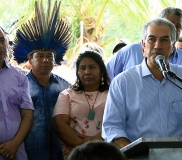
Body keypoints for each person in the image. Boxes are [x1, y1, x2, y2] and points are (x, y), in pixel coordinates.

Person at [102, 18, 182, 149]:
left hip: (180, 155)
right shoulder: (122, 82)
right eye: (152, 39)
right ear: (143, 46)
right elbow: (112, 127)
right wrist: (133, 151)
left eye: (164, 40)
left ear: (172, 47)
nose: (157, 46)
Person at [13, 1, 71, 160]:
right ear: (30, 58)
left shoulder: (66, 87)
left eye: (49, 56)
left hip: (61, 153)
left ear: (55, 59)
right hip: (30, 153)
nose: (45, 60)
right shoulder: (20, 86)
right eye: (40, 56)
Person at [106, 7, 182, 80]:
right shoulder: (131, 51)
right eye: (169, 23)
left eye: (178, 26)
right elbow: (105, 73)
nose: (173, 29)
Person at [53, 50, 110, 159]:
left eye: (92, 67)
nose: (87, 72)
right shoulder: (67, 95)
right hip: (76, 154)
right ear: (77, 72)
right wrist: (83, 146)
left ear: (101, 71)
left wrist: (96, 142)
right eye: (82, 68)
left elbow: (117, 122)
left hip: (105, 153)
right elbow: (60, 125)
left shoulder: (113, 94)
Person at [0, 27, 34, 160]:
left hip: (16, 152)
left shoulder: (20, 76)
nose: (0, 46)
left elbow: (28, 115)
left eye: (2, 41)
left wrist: (14, 144)